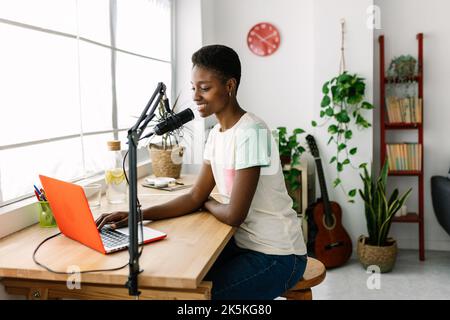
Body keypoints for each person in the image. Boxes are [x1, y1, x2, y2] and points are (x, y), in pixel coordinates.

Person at [96, 44, 307, 300]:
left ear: (230, 86)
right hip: (244, 245)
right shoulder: (216, 135)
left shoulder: (252, 132)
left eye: (205, 88)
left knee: (195, 299)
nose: (196, 96)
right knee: (177, 278)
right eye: (194, 87)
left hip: (278, 254)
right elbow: (195, 196)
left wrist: (205, 201)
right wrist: (138, 215)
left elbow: (233, 215)